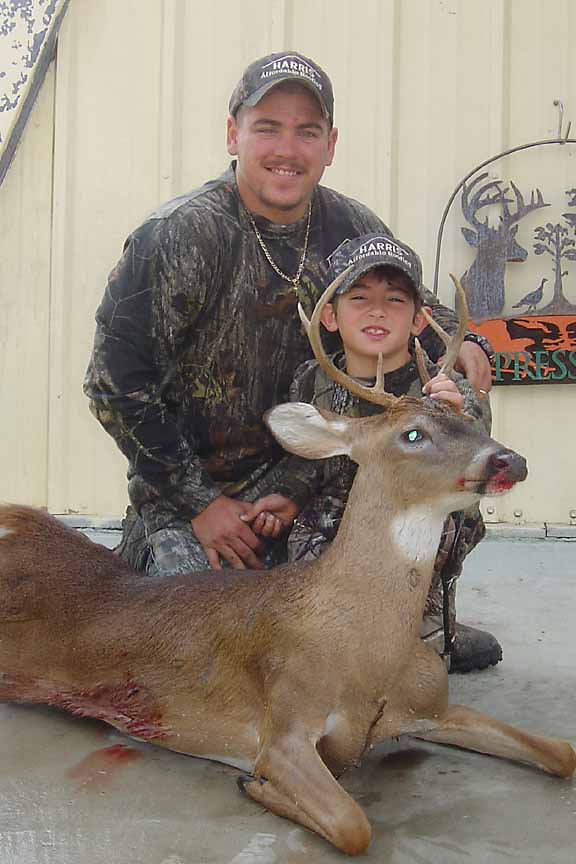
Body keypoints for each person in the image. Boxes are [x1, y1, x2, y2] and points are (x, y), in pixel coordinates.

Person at [84, 51, 496, 668]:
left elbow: (427, 318)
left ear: (330, 144)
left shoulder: (349, 224)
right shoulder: (176, 235)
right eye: (267, 127)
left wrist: (468, 350)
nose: (287, 148)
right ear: (233, 134)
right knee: (202, 655)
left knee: (454, 416)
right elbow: (115, 387)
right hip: (196, 500)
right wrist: (201, 505)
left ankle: (421, 605)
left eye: (306, 131)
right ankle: (160, 554)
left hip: (315, 491)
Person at [260, 232, 498, 672]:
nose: (376, 310)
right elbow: (311, 460)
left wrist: (456, 419)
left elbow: (480, 448)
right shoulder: (313, 381)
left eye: (394, 299)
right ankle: (330, 620)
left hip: (412, 530)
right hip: (337, 524)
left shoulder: (442, 391)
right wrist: (288, 495)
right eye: (359, 298)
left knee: (443, 518)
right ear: (329, 317)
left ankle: (424, 616)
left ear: (418, 321)